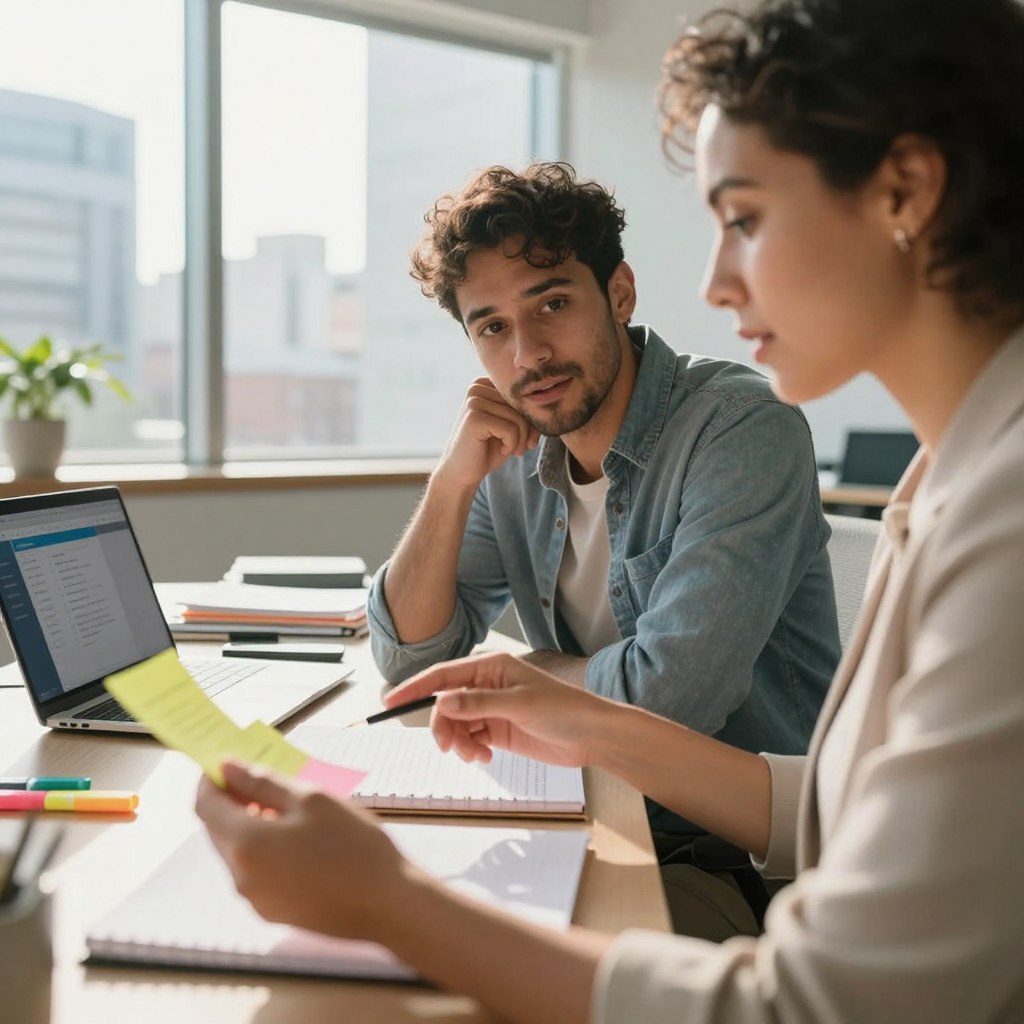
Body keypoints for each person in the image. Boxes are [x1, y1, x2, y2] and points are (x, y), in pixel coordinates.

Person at [196, 0, 1024, 1021]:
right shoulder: (941, 479)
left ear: (904, 190)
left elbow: (823, 996)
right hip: (644, 822)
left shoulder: (987, 504)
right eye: (489, 326)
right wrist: (568, 698)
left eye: (744, 219)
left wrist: (392, 900)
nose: (718, 282)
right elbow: (827, 809)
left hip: (724, 876)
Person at [366, 163, 839, 873]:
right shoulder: (514, 456)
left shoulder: (740, 430)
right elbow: (414, 661)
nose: (527, 355)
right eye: (492, 327)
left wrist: (526, 669)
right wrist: (450, 483)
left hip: (729, 855)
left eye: (551, 304)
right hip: (584, 808)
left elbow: (671, 699)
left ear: (619, 294)